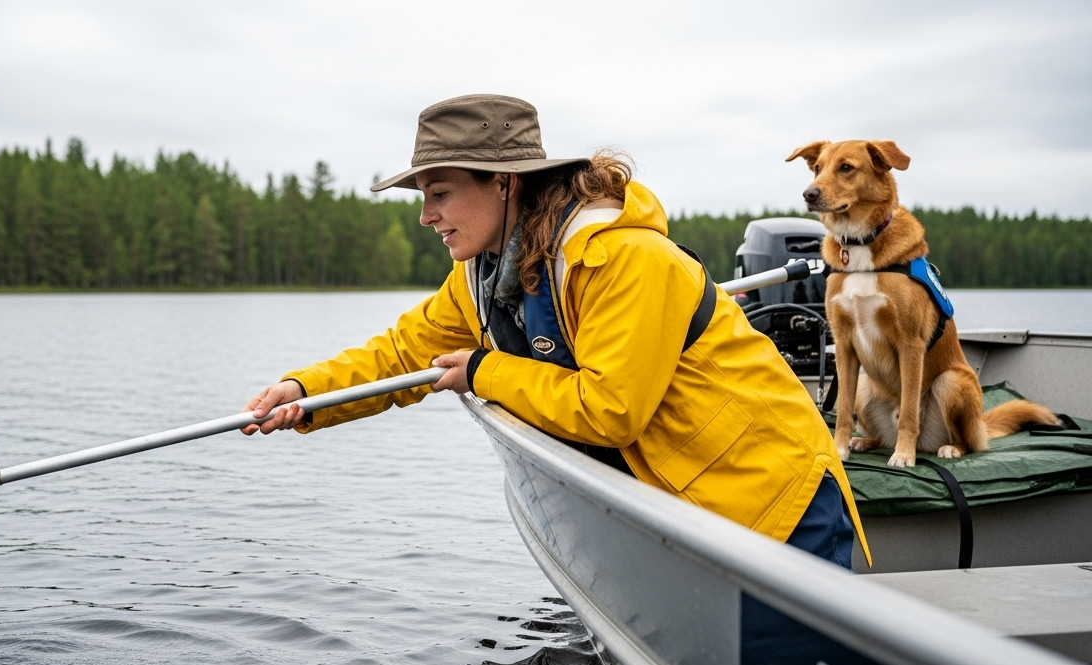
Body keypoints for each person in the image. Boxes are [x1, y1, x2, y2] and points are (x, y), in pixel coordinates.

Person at [241, 94, 870, 570]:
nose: (427, 216)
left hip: (777, 509)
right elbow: (403, 353)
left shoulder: (627, 261)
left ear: (505, 182)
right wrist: (304, 393)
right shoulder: (485, 277)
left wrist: (485, 373)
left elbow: (612, 411)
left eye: (440, 193)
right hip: (690, 510)